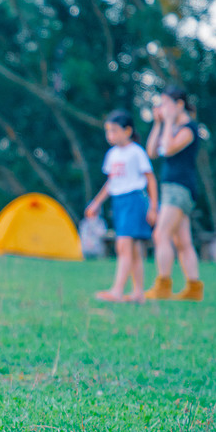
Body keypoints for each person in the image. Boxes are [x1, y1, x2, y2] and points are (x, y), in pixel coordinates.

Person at [85, 110, 158, 303]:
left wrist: (153, 206)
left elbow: (150, 179)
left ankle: (117, 291)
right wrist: (96, 203)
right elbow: (111, 183)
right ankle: (138, 293)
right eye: (108, 131)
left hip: (134, 200)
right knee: (132, 250)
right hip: (119, 202)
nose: (111, 135)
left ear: (127, 130)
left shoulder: (136, 152)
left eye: (115, 131)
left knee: (123, 246)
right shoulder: (112, 155)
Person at [144, 85, 204, 301]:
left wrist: (168, 121)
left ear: (179, 105)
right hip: (171, 188)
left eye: (166, 103)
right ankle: (194, 287)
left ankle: (163, 285)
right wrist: (158, 123)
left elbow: (168, 149)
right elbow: (152, 152)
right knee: (182, 242)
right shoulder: (171, 127)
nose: (162, 108)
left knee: (161, 234)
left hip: (180, 188)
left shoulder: (189, 129)